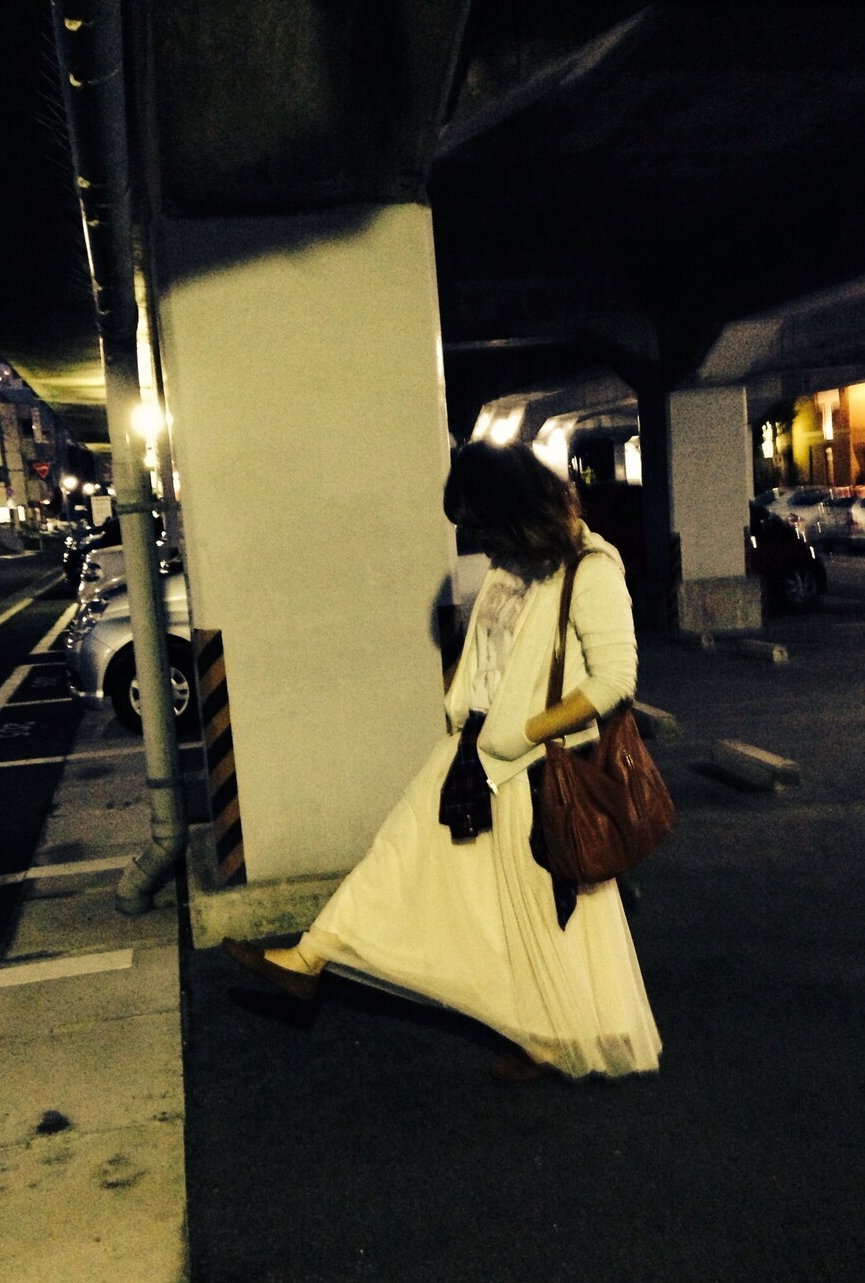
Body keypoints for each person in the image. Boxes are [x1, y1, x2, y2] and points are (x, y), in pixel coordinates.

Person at [223, 441, 661, 1084]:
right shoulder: (514, 564)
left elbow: (614, 680)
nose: (477, 540)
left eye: (481, 524)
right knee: (401, 850)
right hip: (472, 747)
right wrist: (465, 705)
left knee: (537, 905)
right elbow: (491, 653)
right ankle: (309, 957)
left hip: (530, 762)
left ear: (512, 509)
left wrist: (522, 732)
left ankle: (558, 1036)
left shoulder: (590, 570)